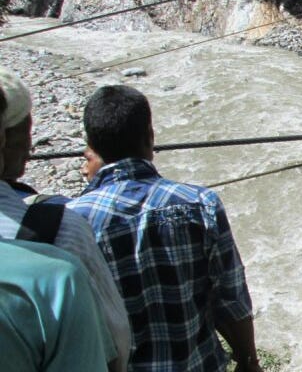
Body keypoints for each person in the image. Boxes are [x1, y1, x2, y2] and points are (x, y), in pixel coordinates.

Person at [66, 85, 262, 372]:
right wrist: (248, 361)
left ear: (91, 147)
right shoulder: (200, 204)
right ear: (150, 136)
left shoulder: (72, 223)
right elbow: (231, 297)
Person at [0, 67, 130, 371]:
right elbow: (116, 342)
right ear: (3, 140)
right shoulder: (60, 233)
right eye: (26, 132)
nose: (30, 147)